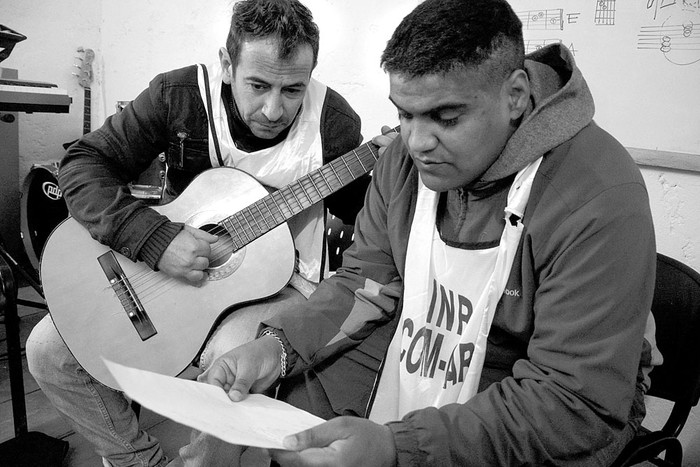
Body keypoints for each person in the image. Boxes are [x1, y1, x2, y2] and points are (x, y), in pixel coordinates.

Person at [199, 0, 660, 465]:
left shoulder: (599, 194)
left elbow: (574, 400)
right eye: (405, 114)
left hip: (546, 381)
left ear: (515, 96)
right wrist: (274, 349)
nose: (417, 142)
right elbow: (364, 284)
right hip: (421, 333)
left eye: (447, 117)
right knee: (287, 425)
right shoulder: (401, 160)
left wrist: (397, 447)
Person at [25, 1, 374, 466]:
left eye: (293, 89)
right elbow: (85, 163)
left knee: (231, 366)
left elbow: (361, 214)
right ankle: (139, 462)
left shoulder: (333, 123)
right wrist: (153, 238)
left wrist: (388, 174)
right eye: (258, 85)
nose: (274, 109)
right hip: (165, 267)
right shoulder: (180, 95)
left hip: (286, 281)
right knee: (48, 351)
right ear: (227, 65)